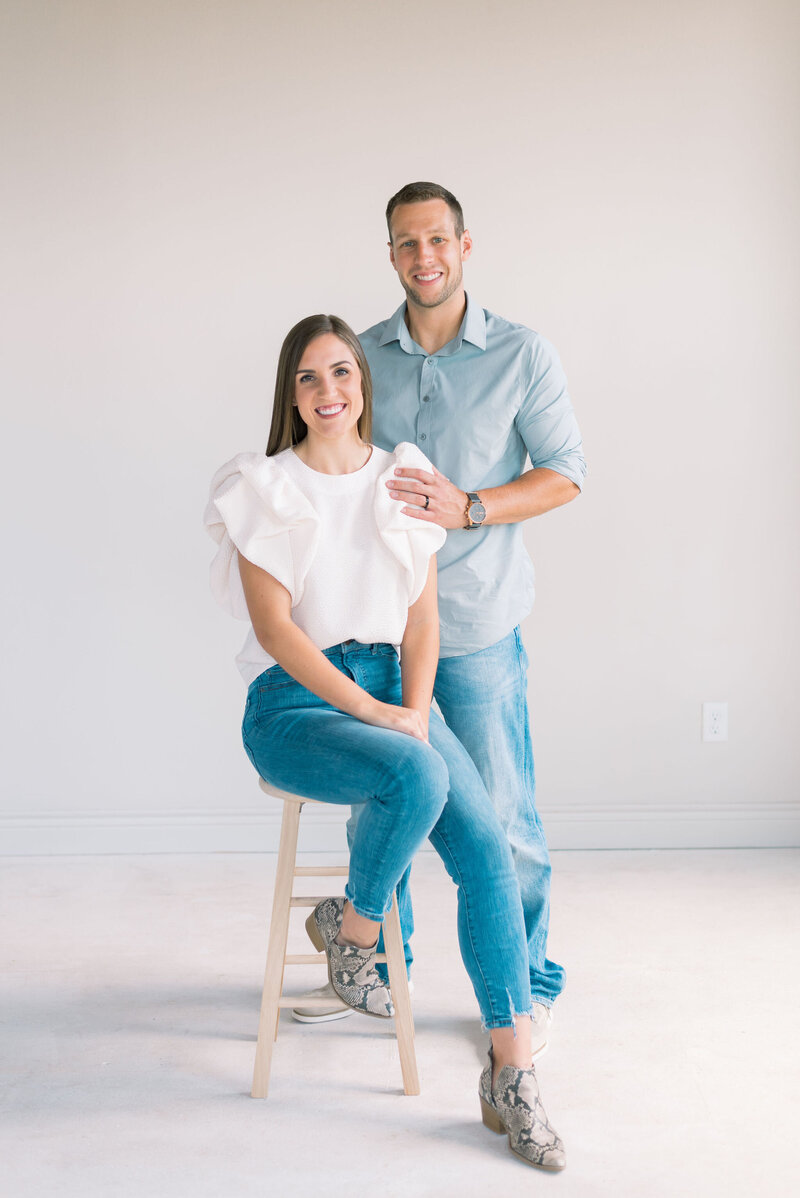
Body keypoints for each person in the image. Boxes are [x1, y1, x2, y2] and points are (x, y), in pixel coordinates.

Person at [205, 313, 567, 1171]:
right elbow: (280, 632)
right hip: (296, 704)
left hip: (389, 691)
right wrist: (385, 721)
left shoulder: (401, 476)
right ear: (290, 395)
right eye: (307, 378)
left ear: (363, 383)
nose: (328, 392)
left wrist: (413, 708)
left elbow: (422, 619)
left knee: (483, 846)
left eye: (341, 373)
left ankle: (510, 1074)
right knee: (415, 768)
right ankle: (361, 932)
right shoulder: (264, 487)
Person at [313, 182, 586, 1057]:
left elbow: (566, 472)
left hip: (474, 627)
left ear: (466, 246)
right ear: (390, 255)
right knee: (378, 812)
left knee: (503, 819)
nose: (421, 257)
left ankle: (529, 986)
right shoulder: (359, 355)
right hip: (372, 632)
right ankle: (382, 969)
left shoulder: (522, 353)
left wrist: (469, 506)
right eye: (404, 243)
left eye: (436, 240)